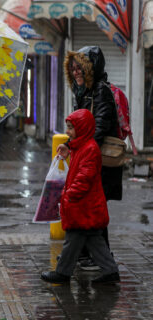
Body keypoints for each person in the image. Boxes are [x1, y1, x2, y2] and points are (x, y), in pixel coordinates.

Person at [57, 46, 121, 270]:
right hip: (87, 155)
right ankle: (84, 255)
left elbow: (100, 125)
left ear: (90, 68)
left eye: (80, 68)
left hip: (98, 158)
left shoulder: (101, 91)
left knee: (94, 208)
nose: (75, 72)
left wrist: (76, 146)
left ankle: (98, 258)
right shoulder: (82, 91)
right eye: (72, 69)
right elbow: (77, 127)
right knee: (87, 206)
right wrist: (68, 144)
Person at [41, 109, 120, 284]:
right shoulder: (81, 146)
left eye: (71, 128)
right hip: (84, 205)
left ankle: (62, 273)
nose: (67, 132)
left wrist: (67, 195)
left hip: (84, 205)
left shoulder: (90, 149)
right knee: (93, 240)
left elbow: (84, 178)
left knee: (73, 239)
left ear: (82, 128)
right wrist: (68, 149)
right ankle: (110, 271)